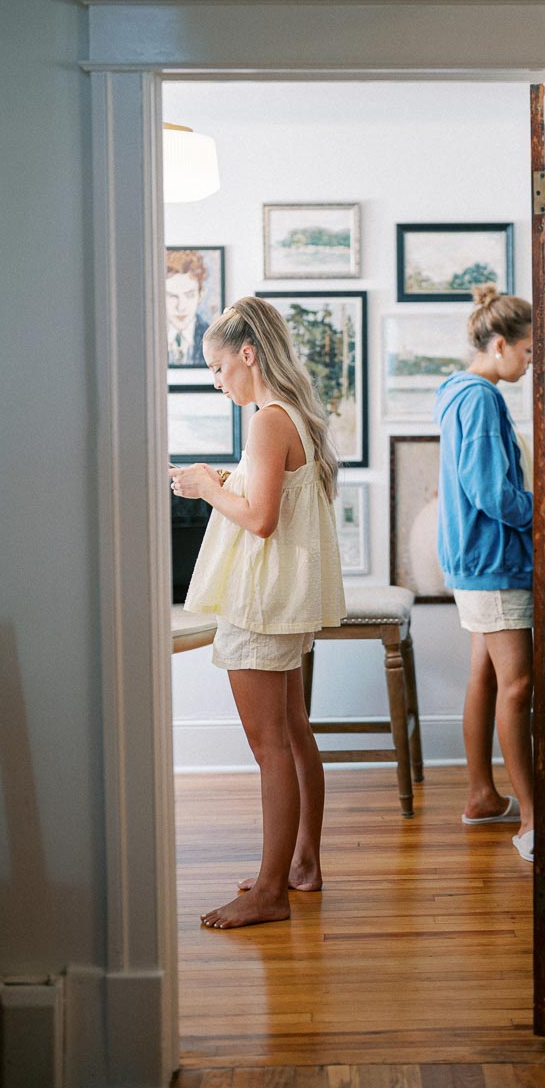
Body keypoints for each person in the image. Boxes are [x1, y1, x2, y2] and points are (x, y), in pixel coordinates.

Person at [169, 296, 346, 927]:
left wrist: (205, 488)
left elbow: (262, 521)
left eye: (218, 369)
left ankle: (270, 892)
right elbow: (277, 501)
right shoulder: (290, 414)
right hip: (281, 601)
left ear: (248, 354)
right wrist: (228, 479)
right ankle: (301, 866)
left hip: (260, 600)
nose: (218, 384)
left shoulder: (268, 420)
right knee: (294, 733)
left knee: (269, 744)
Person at [432, 286, 536, 863]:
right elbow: (493, 493)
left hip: (476, 561)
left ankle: (481, 796)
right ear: (498, 345)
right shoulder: (481, 399)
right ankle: (531, 820)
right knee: (517, 685)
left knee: (488, 677)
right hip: (493, 561)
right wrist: (544, 514)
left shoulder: (461, 394)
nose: (530, 363)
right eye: (526, 352)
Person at [166, 249, 211, 365]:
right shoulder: (148, 339)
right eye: (172, 296)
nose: (181, 307)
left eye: (189, 295)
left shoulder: (212, 337)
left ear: (201, 295)